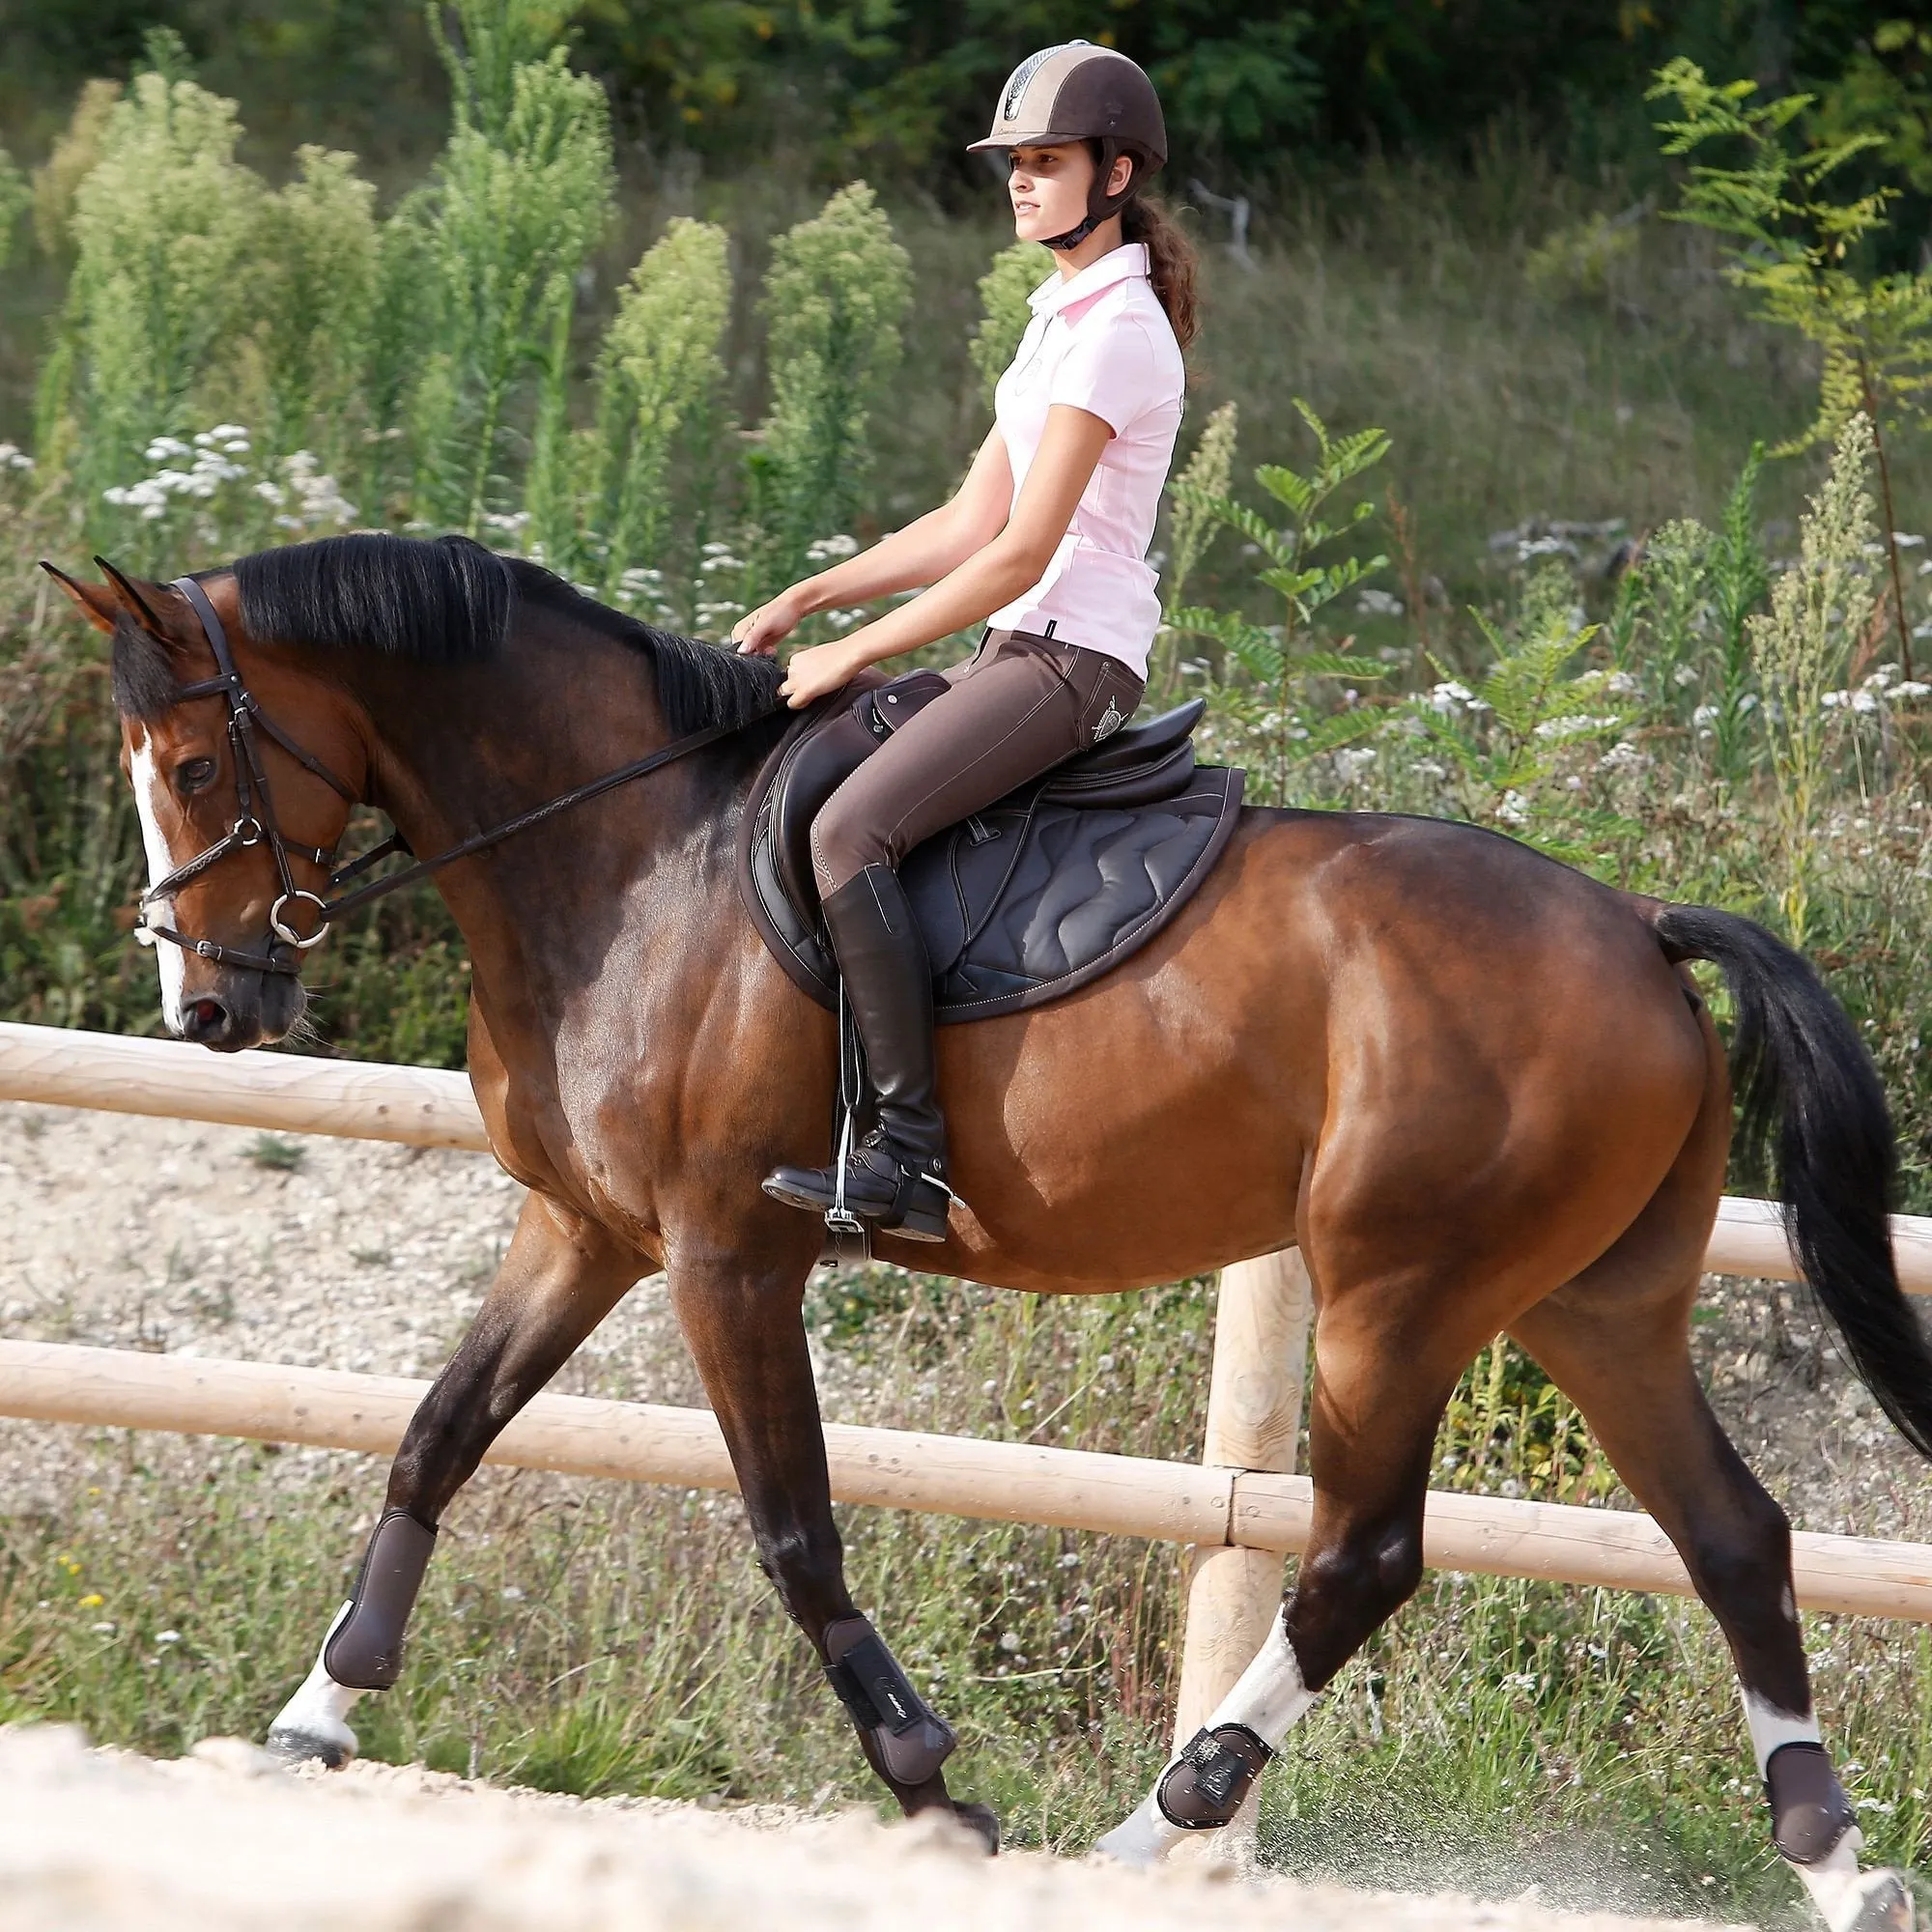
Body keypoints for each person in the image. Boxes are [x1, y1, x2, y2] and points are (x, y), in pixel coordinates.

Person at [736, 40, 1197, 1242]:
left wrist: (854, 651)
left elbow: (1020, 552)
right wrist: (812, 594)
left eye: (1044, 162)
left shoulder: (1118, 330)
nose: (1019, 182)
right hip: (1017, 644)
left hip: (1068, 657)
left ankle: (907, 1157)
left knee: (850, 829)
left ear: (1115, 172)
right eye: (1012, 165)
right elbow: (962, 518)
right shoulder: (1058, 319)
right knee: (815, 773)